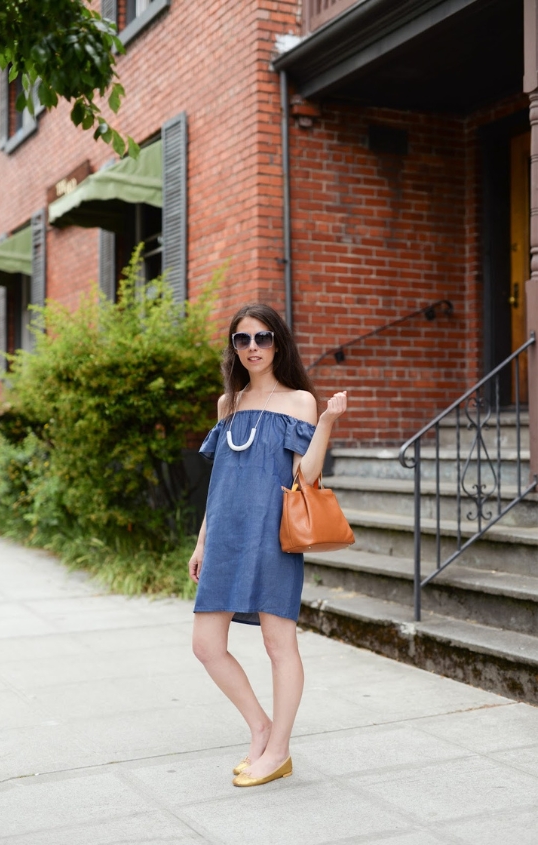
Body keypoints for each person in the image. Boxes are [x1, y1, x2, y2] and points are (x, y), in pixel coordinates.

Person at [188, 304, 347, 787]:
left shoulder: (299, 401)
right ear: (234, 349)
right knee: (206, 644)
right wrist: (201, 543)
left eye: (262, 338)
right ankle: (260, 726)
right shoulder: (227, 405)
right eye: (243, 340)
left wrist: (327, 423)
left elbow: (307, 476)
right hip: (225, 538)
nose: (253, 348)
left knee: (279, 644)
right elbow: (219, 482)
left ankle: (278, 751)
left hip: (273, 539)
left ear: (278, 343)